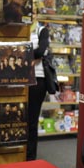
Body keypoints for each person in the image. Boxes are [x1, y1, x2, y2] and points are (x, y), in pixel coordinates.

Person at [27, 21, 51, 160]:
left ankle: (30, 157)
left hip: (37, 79)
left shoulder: (41, 30)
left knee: (32, 121)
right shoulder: (18, 30)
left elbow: (41, 51)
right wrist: (32, 54)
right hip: (18, 80)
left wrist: (21, 53)